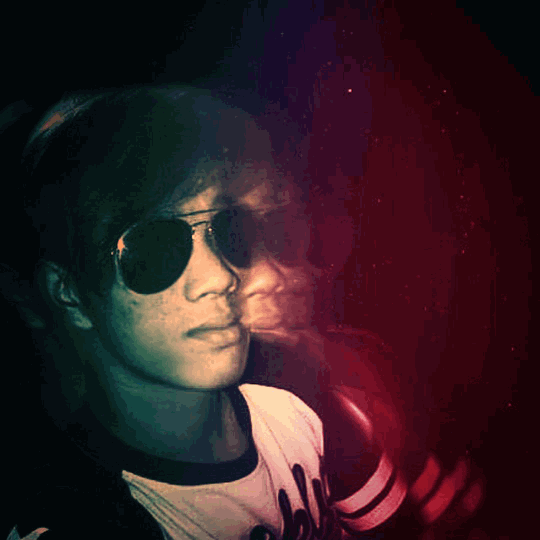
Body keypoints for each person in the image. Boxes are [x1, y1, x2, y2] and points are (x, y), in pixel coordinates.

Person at [2, 86, 479, 540]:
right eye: (150, 249)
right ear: (68, 293)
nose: (221, 276)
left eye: (227, 229)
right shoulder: (81, 513)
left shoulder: (298, 395)